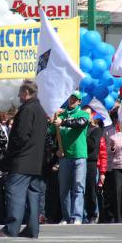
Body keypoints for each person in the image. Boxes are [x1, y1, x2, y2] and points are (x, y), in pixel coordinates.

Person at [0, 80, 48, 238]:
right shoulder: (41, 111)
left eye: (20, 93)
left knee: (14, 192)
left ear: (26, 93)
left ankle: (11, 228)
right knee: (33, 195)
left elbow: (20, 137)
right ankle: (32, 229)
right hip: (36, 163)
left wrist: (8, 158)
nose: (18, 96)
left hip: (22, 161)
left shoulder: (27, 110)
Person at [49, 91, 89, 225]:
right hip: (64, 157)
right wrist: (56, 150)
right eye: (71, 98)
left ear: (79, 102)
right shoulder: (60, 115)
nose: (72, 100)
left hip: (79, 156)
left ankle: (77, 216)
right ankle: (66, 217)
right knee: (64, 188)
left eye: (75, 99)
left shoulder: (83, 114)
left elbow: (80, 123)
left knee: (78, 186)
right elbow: (49, 135)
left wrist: (63, 122)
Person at [81, 105, 107, 224]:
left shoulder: (96, 130)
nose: (86, 116)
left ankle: (93, 214)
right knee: (80, 189)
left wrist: (83, 133)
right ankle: (82, 214)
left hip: (91, 162)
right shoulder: (78, 128)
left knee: (91, 189)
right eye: (84, 114)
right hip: (80, 161)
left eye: (88, 114)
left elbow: (92, 146)